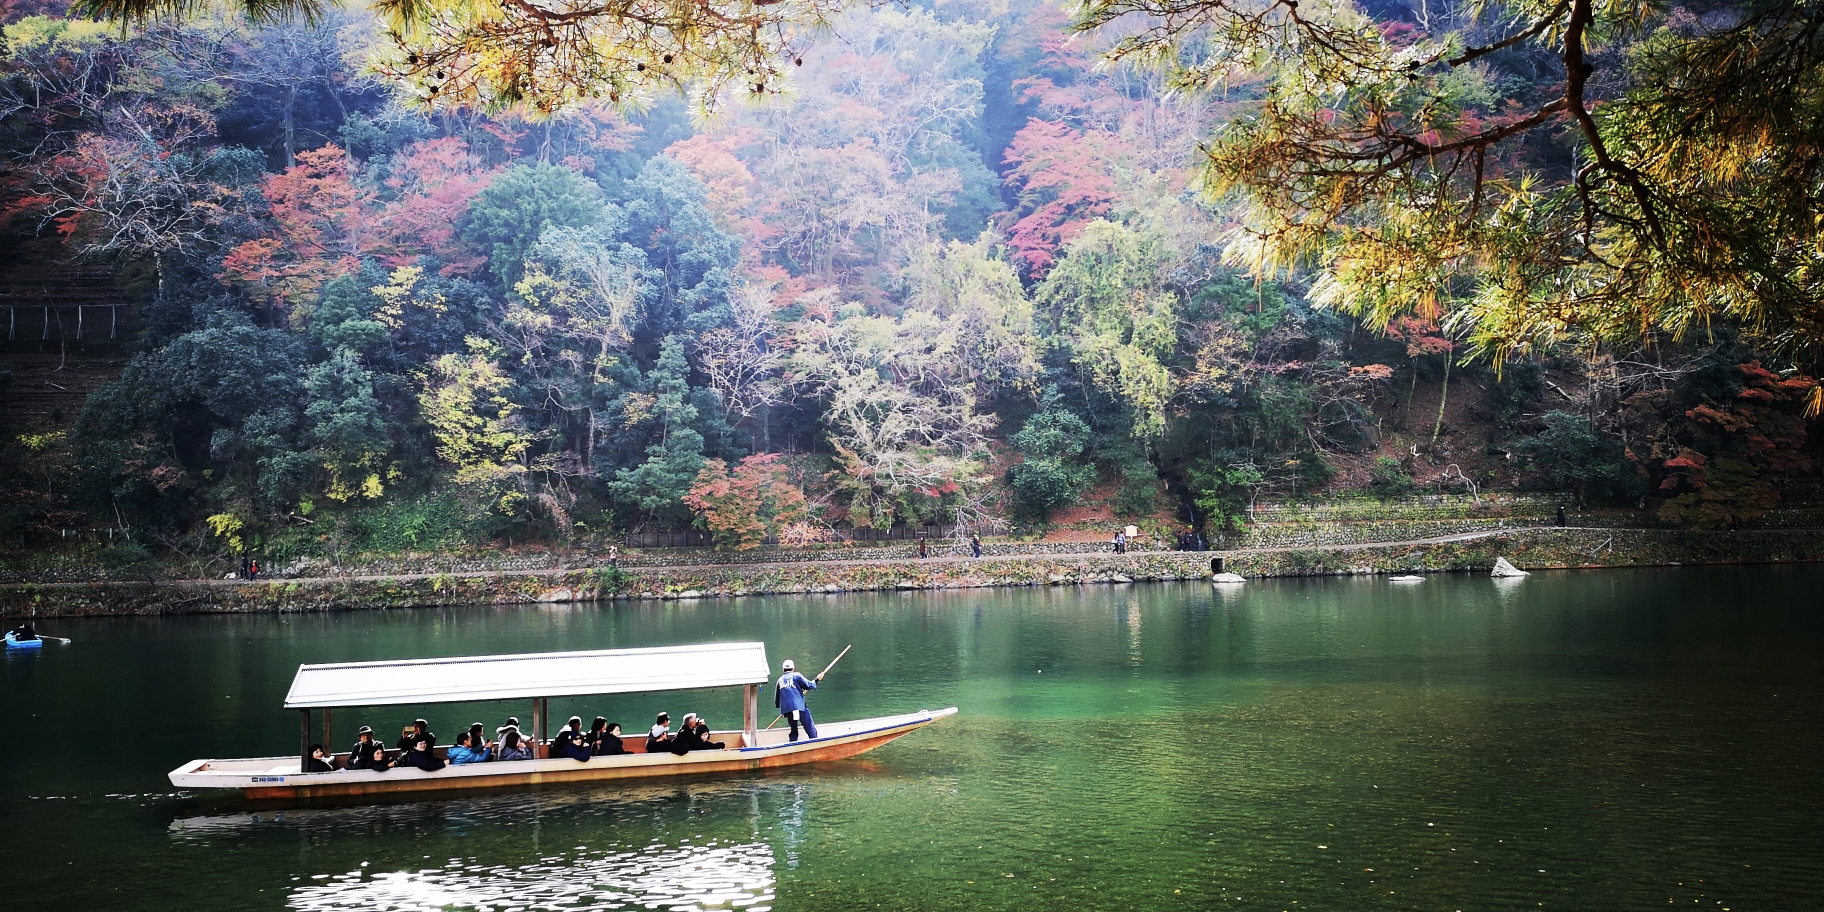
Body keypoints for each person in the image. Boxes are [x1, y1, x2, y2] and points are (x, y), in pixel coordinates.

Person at [774, 659, 823, 742]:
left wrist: (782, 710)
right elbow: (809, 685)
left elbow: (777, 698)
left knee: (794, 730)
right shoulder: (797, 676)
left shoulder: (780, 680)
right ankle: (815, 742)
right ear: (793, 669)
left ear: (783, 670)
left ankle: (792, 745)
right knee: (809, 728)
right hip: (799, 707)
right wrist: (817, 679)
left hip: (787, 709)